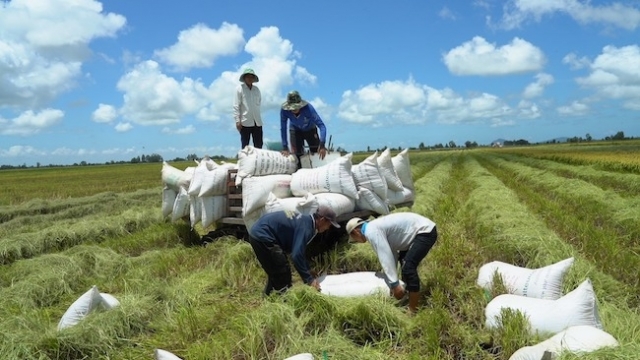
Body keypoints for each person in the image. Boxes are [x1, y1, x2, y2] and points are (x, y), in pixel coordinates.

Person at [345, 212, 437, 313]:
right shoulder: (374, 227)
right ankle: (407, 296)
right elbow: (391, 253)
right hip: (418, 230)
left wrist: (395, 284)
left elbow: (385, 255)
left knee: (408, 267)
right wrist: (394, 279)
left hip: (424, 231)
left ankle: (413, 309)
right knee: (404, 263)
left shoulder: (371, 231)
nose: (357, 241)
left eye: (355, 239)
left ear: (355, 232)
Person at [249, 206, 341, 296]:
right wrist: (309, 280)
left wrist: (308, 269)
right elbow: (296, 256)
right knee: (283, 274)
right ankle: (282, 305)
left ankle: (268, 299)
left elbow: (299, 252)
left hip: (259, 234)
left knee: (276, 272)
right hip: (263, 236)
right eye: (329, 224)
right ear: (322, 220)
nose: (328, 228)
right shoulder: (307, 228)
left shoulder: (306, 222)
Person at [280, 90, 328, 167]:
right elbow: (283, 128)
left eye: (296, 108)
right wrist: (285, 147)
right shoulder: (284, 111)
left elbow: (322, 126)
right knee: (298, 155)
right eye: (291, 108)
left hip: (310, 129)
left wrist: (322, 144)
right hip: (295, 130)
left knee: (316, 152)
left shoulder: (308, 109)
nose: (294, 110)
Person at [233, 68, 263, 149]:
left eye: (251, 77)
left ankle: (258, 161)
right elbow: (236, 105)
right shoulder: (239, 89)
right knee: (245, 146)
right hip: (245, 122)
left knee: (259, 145)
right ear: (244, 78)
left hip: (257, 122)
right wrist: (237, 121)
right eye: (248, 77)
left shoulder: (256, 90)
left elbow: (259, 103)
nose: (250, 79)